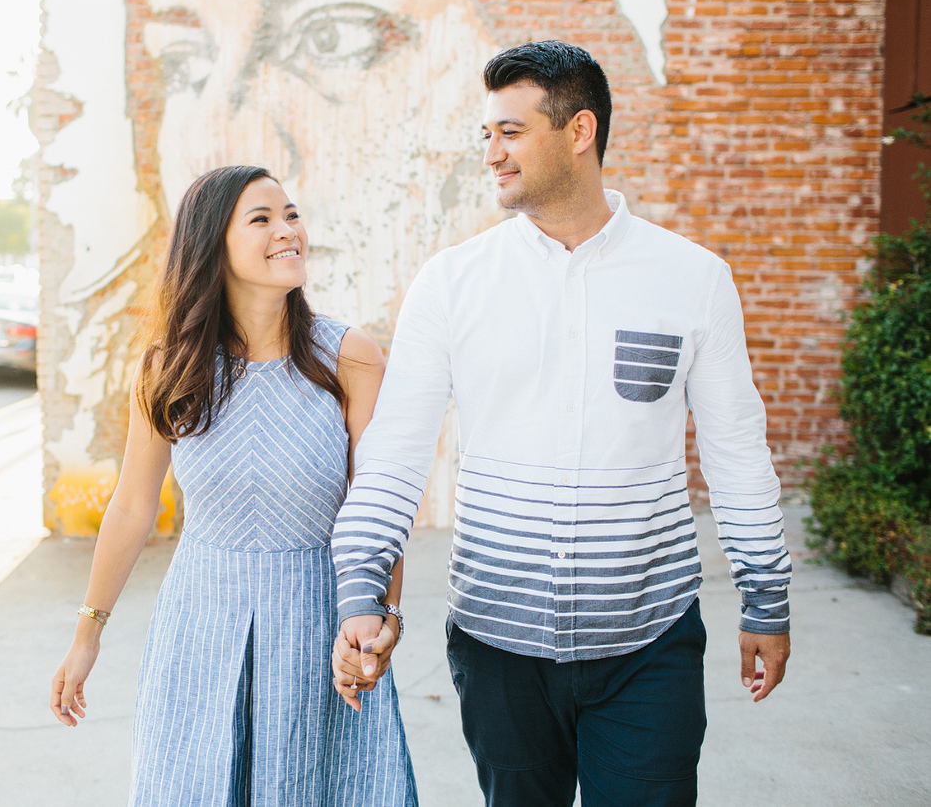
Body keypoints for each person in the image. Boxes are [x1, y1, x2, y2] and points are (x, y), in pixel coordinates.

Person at [330, 41, 792, 807]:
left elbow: (735, 448)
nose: (491, 153)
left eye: (510, 131)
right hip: (494, 645)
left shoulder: (691, 277)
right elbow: (392, 458)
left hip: (649, 643)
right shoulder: (450, 284)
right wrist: (359, 590)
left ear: (579, 131)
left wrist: (765, 596)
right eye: (486, 134)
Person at [50, 165, 418, 806]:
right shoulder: (171, 363)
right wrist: (88, 635)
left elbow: (377, 507)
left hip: (319, 624)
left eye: (292, 214)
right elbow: (134, 507)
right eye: (262, 219)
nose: (288, 230)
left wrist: (379, 619)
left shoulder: (351, 355)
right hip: (198, 628)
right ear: (212, 243)